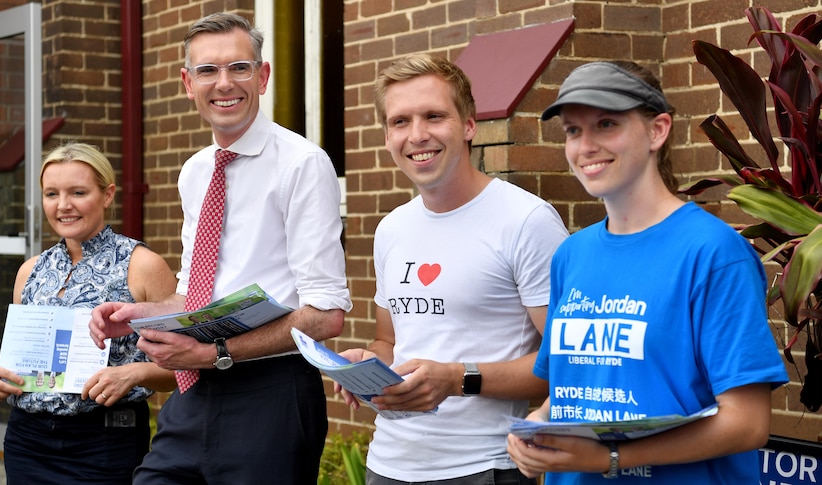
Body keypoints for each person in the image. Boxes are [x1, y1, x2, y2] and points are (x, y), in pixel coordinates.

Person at [88, 12, 351, 484]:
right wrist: (137, 313)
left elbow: (326, 314)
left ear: (263, 76)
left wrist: (215, 354)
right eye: (208, 70)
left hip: (271, 395)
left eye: (239, 68)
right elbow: (197, 292)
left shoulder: (303, 165)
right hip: (193, 395)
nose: (224, 83)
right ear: (188, 83)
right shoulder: (194, 171)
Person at [506, 61, 789, 483]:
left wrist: (609, 458)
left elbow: (746, 424)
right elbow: (569, 389)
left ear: (657, 130)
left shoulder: (713, 253)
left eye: (605, 124)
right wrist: (536, 427)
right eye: (573, 130)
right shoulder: (571, 255)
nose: (585, 146)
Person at [335, 53, 568, 484]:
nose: (417, 135)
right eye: (400, 121)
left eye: (434, 116)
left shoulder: (526, 221)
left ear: (468, 125)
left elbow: (567, 363)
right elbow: (390, 341)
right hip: (387, 465)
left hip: (482, 467)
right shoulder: (392, 229)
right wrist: (368, 366)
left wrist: (459, 379)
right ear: (386, 135)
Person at [0, 142, 177, 484]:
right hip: (28, 440)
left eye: (78, 192)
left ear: (107, 194)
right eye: (51, 193)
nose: (63, 205)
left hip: (105, 443)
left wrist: (134, 374)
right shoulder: (31, 271)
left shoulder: (142, 266)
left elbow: (186, 364)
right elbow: (18, 362)